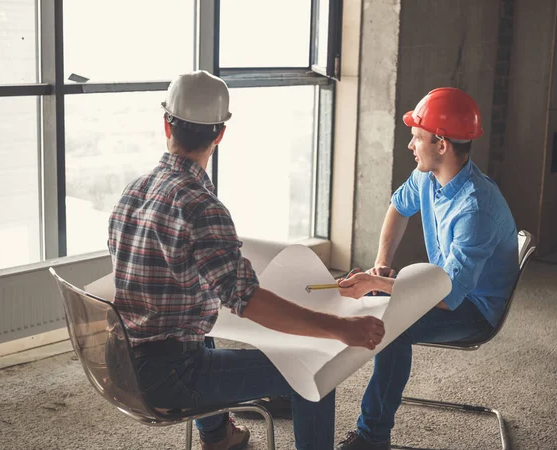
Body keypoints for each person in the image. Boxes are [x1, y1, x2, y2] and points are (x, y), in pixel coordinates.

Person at [107, 70, 386, 450]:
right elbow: (249, 302)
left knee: (200, 333)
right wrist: (340, 328)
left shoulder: (134, 191)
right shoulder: (202, 207)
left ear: (166, 125)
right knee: (314, 371)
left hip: (120, 363)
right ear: (220, 134)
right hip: (168, 376)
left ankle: (218, 435)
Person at [334, 88, 520, 450]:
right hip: (445, 286)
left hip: (473, 308)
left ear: (442, 145)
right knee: (367, 293)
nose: (410, 145)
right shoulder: (428, 176)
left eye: (417, 137)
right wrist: (382, 267)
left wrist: (377, 283)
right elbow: (398, 208)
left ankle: (373, 437)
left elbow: (449, 297)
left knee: (391, 326)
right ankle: (293, 388)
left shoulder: (475, 208)